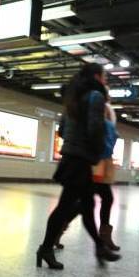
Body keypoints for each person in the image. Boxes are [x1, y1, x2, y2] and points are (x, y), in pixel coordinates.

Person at [37, 63, 121, 270]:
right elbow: (95, 129)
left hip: (72, 158)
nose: (105, 81)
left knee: (85, 206)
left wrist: (76, 140)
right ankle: (46, 248)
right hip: (81, 160)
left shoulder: (74, 97)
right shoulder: (95, 96)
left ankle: (99, 247)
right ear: (96, 76)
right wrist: (98, 151)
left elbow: (62, 130)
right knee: (67, 207)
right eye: (104, 77)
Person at [54, 89, 121, 251]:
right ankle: (101, 238)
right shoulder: (93, 105)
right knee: (94, 199)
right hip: (95, 161)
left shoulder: (103, 107)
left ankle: (58, 231)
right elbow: (96, 132)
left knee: (87, 201)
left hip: (101, 160)